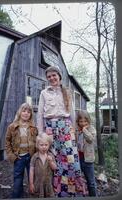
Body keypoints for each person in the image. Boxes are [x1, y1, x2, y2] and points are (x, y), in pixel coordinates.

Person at [37, 66, 85, 197]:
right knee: (54, 158)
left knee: (70, 159)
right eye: (49, 76)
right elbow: (40, 113)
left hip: (66, 126)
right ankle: (57, 191)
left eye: (54, 75)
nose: (52, 78)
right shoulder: (44, 93)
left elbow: (72, 113)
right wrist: (41, 133)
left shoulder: (67, 92)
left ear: (59, 76)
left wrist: (73, 130)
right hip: (50, 128)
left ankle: (73, 190)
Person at [5, 103, 38, 198]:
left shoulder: (33, 127)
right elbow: (7, 142)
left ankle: (34, 194)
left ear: (31, 114)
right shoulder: (12, 126)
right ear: (20, 112)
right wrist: (11, 156)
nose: (26, 113)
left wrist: (36, 155)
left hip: (30, 156)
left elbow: (37, 140)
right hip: (18, 157)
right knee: (18, 179)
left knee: (33, 177)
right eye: (24, 111)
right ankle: (17, 196)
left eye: (28, 112)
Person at [75, 110, 97, 196]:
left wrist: (84, 130)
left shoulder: (92, 129)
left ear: (88, 121)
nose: (83, 123)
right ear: (78, 121)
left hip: (88, 159)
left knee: (91, 182)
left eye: (85, 121)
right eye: (81, 121)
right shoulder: (77, 129)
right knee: (78, 180)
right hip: (78, 158)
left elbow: (90, 139)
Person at [29, 133, 57, 198]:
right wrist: (31, 183)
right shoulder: (35, 157)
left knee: (48, 196)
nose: (44, 147)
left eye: (46, 145)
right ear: (37, 145)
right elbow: (31, 170)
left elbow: (54, 168)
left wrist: (51, 161)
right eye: (41, 145)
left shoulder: (50, 155)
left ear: (49, 145)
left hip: (48, 184)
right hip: (38, 183)